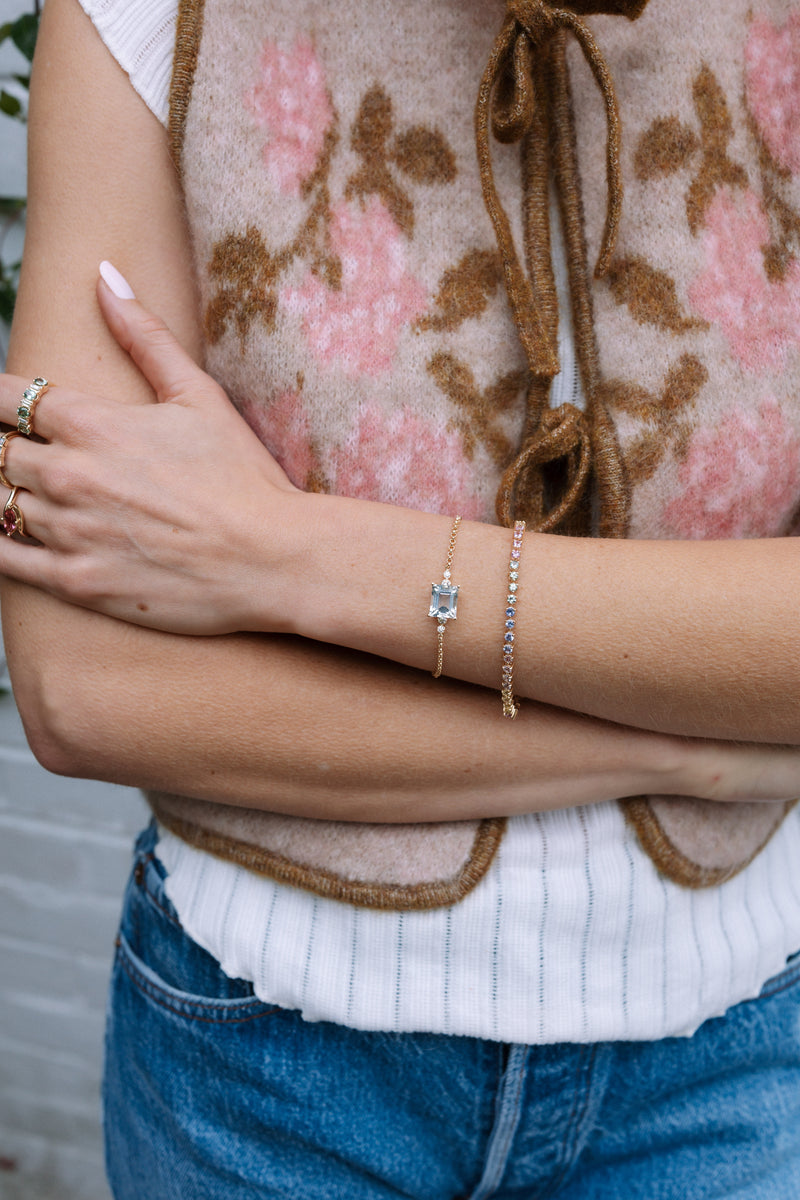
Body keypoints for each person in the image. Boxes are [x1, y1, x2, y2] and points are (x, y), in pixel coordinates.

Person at [3, 0, 800, 1195]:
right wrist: (691, 743)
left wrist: (282, 549)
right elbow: (92, 690)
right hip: (260, 1067)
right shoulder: (145, 12)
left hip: (725, 1068)